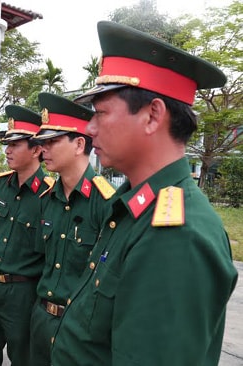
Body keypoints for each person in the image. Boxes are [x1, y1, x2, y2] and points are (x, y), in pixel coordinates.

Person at [50, 21, 238, 366]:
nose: (89, 129)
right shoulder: (135, 208)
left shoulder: (176, 236)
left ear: (152, 115)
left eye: (101, 113)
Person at [28, 92, 115, 365]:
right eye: (42, 143)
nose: (44, 150)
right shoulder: (48, 198)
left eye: (52, 142)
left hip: (79, 327)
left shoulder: (106, 202)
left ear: (79, 144)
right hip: (41, 319)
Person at [0, 105, 52, 366]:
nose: (7, 150)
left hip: (24, 292)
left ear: (36, 149)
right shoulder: (1, 184)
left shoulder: (49, 195)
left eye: (16, 144)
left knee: (23, 357)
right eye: (7, 144)